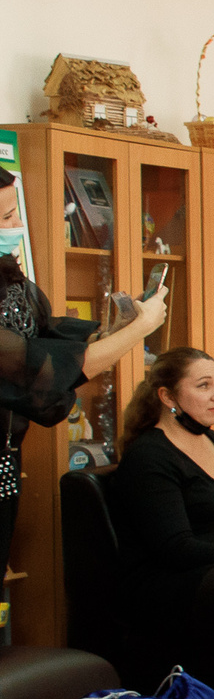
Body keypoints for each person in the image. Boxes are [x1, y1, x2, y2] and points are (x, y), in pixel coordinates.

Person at [0, 169, 169, 558]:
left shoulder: (12, 280)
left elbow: (48, 333)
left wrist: (113, 328)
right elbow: (41, 369)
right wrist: (140, 328)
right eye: (8, 217)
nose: (19, 224)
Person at [104, 346, 214, 688]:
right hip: (168, 584)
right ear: (167, 395)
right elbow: (175, 548)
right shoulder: (149, 456)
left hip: (212, 569)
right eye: (203, 385)